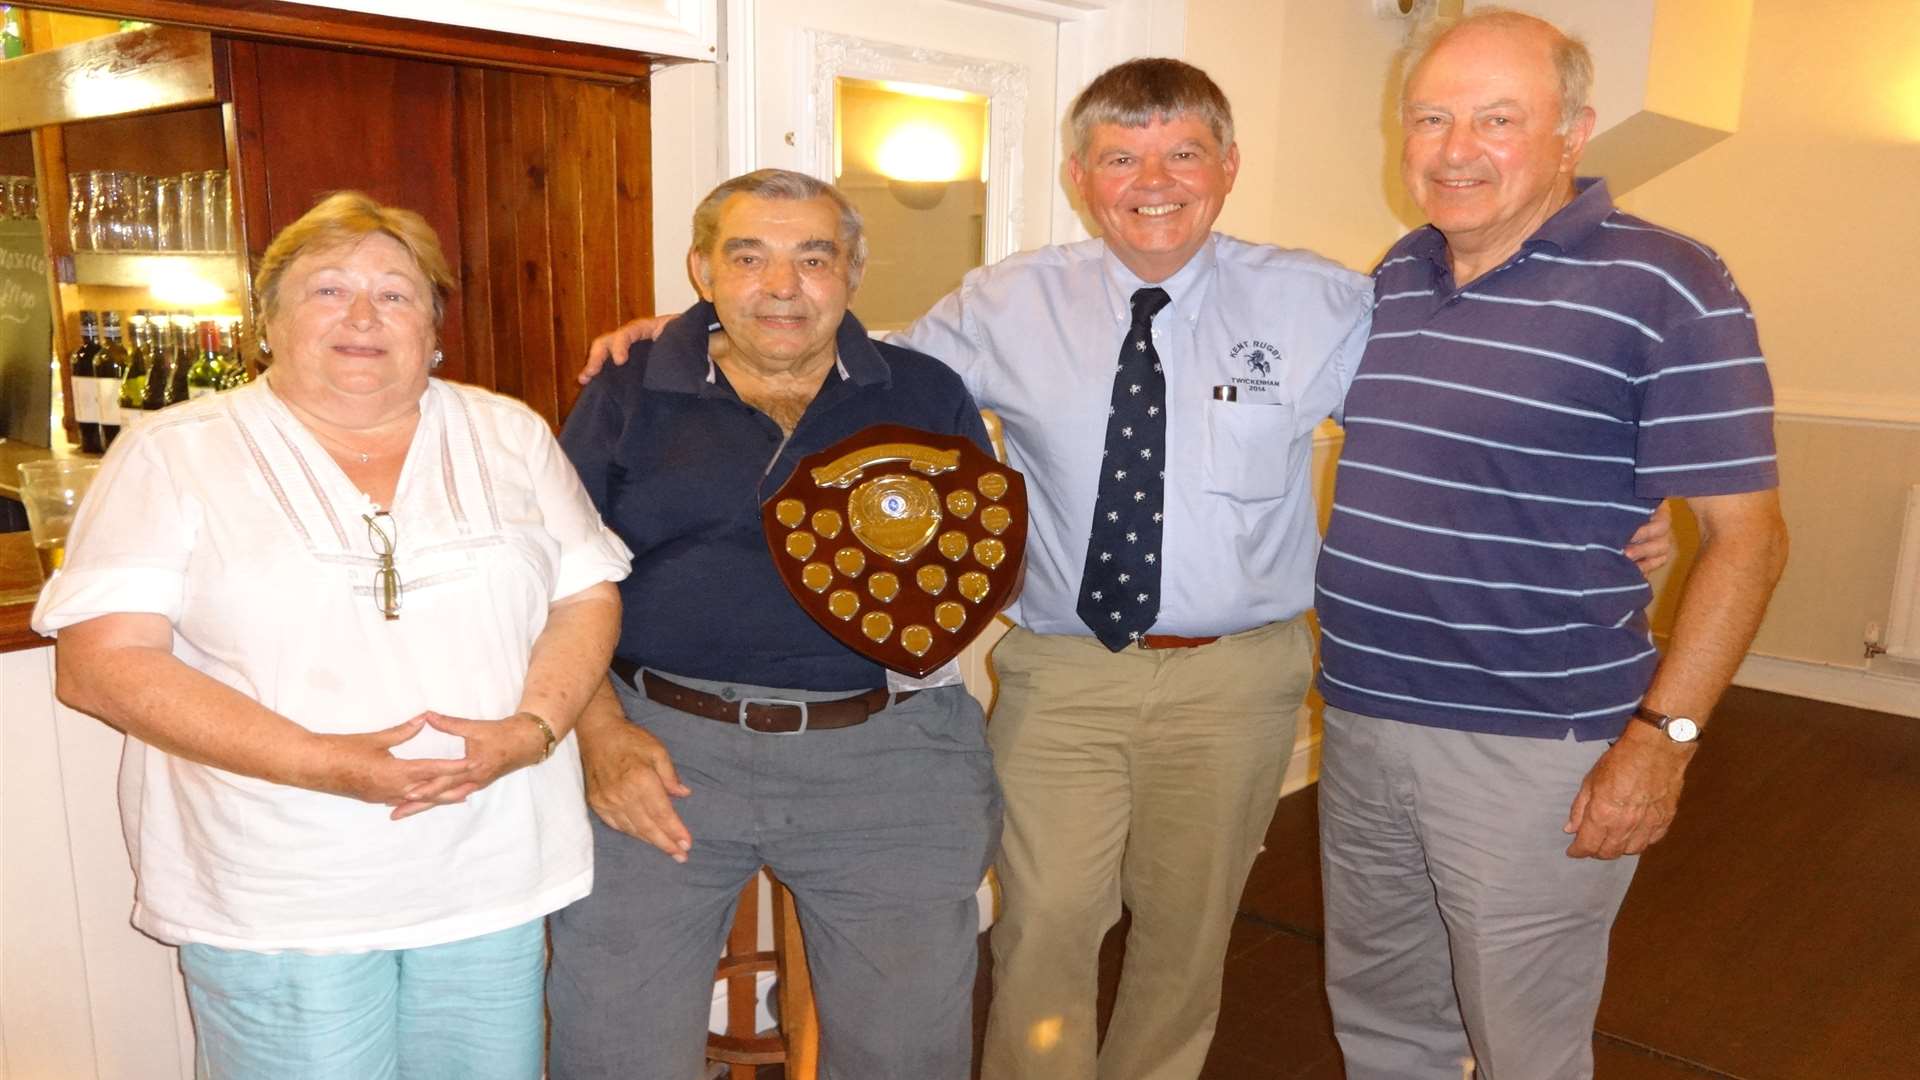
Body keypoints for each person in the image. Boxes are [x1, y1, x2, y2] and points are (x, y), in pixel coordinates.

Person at [581, 59, 1672, 1080]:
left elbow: (1448, 409)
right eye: (1119, 158)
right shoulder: (1008, 301)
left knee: (1186, 929)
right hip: (1067, 673)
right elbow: (843, 362)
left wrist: (1618, 510)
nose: (1153, 185)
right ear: (1080, 177)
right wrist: (690, 334)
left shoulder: (1327, 302)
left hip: (1238, 677)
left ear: (1226, 169)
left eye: (1183, 155)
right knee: (1047, 921)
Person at [32, 192, 630, 1079]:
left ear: (433, 328)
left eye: (395, 293)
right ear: (267, 320)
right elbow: (100, 665)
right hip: (280, 884)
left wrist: (533, 730)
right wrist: (323, 762)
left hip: (491, 868)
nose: (362, 315)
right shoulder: (175, 451)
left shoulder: (509, 433)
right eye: (327, 290)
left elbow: (585, 597)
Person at [1313, 11, 1789, 1079]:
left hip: (1534, 744)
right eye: (1430, 117)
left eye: (1496, 119)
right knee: (1387, 1017)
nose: (1453, 147)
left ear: (1573, 134)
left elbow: (1747, 542)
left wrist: (1661, 743)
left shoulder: (1667, 282)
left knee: (1523, 1040)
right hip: (1364, 715)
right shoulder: (1397, 272)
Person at [544, 168, 1002, 1080]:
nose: (783, 286)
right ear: (702, 270)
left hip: (887, 752)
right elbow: (553, 581)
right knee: (611, 1047)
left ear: (852, 275)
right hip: (660, 747)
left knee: (909, 1053)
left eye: (813, 258)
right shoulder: (628, 389)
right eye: (749, 257)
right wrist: (599, 733)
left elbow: (978, 560)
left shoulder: (923, 391)